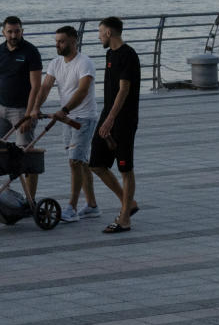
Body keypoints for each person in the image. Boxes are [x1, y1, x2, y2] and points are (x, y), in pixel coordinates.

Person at [34, 25, 101, 223]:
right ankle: (92, 206)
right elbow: (45, 86)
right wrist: (35, 108)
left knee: (75, 161)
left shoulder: (85, 63)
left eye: (61, 41)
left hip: (84, 119)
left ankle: (71, 207)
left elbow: (82, 91)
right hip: (67, 119)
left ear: (74, 41)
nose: (58, 45)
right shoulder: (55, 63)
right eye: (56, 41)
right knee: (81, 162)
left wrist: (64, 110)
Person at [0, 16, 43, 194]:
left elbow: (36, 86)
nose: (14, 35)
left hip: (22, 110)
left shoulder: (31, 52)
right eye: (10, 32)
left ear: (22, 31)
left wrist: (28, 115)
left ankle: (30, 201)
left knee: (26, 155)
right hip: (0, 108)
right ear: (3, 32)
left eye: (17, 31)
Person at [89, 17, 141, 233]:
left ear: (109, 33)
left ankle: (125, 219)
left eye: (100, 32)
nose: (99, 36)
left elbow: (124, 90)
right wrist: (106, 117)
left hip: (124, 120)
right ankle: (128, 203)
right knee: (96, 164)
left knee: (125, 168)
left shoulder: (128, 55)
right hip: (107, 115)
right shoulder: (110, 54)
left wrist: (110, 120)